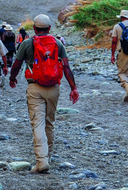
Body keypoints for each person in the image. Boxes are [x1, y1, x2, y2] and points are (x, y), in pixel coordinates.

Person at [9, 14, 79, 173]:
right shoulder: (58, 43)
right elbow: (66, 67)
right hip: (54, 87)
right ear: (49, 28)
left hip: (35, 87)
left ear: (34, 28)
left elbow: (17, 65)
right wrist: (74, 88)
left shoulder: (27, 43)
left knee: (38, 123)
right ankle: (49, 156)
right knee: (50, 123)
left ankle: (42, 161)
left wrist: (12, 78)